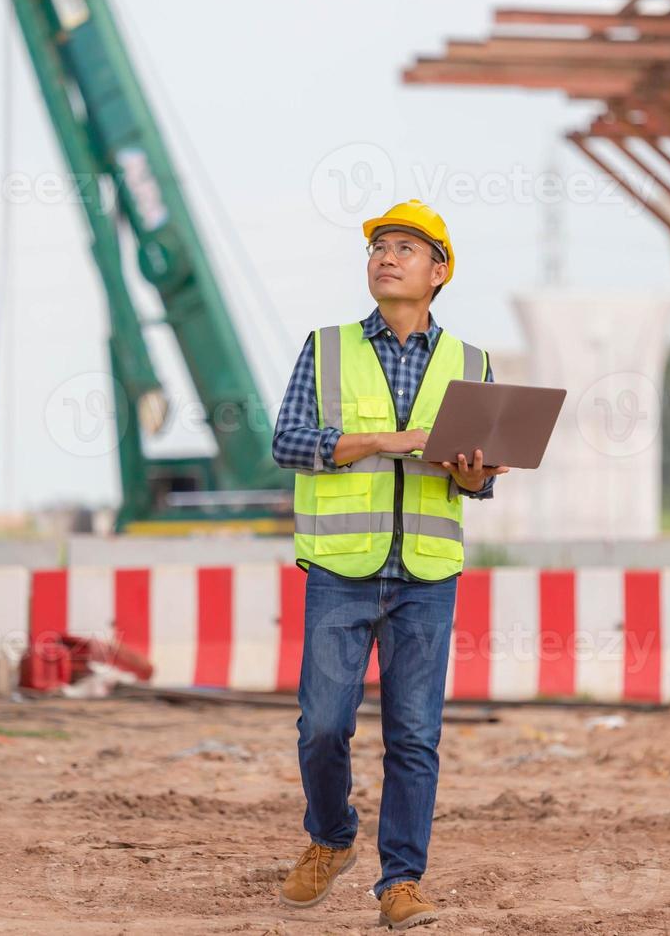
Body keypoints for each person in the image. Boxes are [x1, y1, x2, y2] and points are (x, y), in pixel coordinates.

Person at [270, 199, 508, 930]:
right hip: (343, 568)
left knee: (413, 736)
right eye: (379, 246)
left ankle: (401, 882)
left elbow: (482, 483)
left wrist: (472, 469)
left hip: (428, 574)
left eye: (405, 247)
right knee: (322, 725)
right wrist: (384, 441)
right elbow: (288, 443)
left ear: (438, 273)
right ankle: (331, 835)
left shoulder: (472, 363)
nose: (386, 256)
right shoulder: (328, 345)